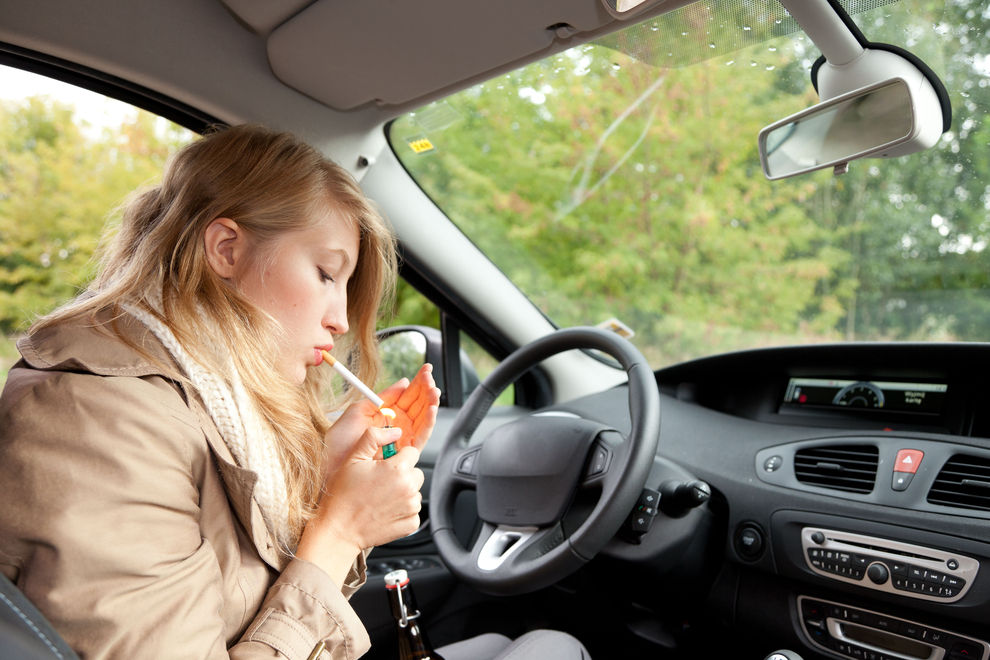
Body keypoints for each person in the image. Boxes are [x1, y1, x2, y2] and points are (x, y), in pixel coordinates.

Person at [0, 124, 589, 660]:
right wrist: (339, 532)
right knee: (552, 648)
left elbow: (232, 588)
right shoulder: (101, 421)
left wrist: (325, 477)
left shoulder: (195, 399)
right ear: (226, 250)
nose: (339, 317)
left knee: (509, 643)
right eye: (327, 274)